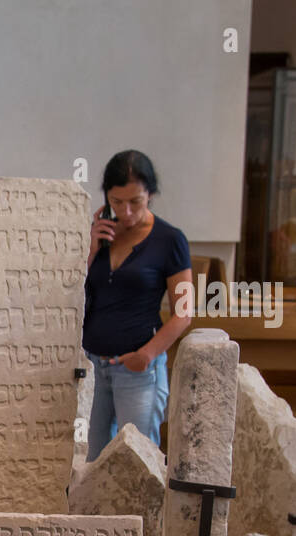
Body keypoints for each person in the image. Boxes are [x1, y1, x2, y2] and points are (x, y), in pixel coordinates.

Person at [83, 150, 193, 461]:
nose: (126, 211)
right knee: (91, 461)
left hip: (138, 368)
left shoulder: (170, 240)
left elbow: (184, 312)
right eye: (117, 202)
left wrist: (147, 355)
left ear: (151, 195)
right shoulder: (99, 235)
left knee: (136, 462)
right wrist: (90, 249)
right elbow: (70, 293)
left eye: (136, 202)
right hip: (93, 364)